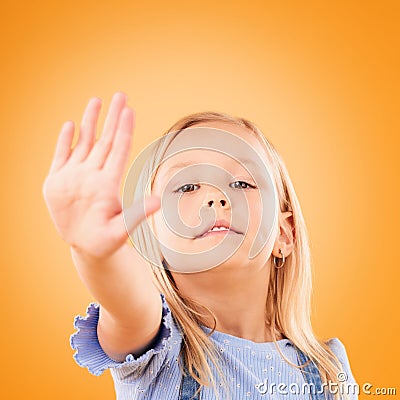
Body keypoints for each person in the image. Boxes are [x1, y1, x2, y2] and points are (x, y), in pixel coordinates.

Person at [42, 92, 358, 399]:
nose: (214, 198)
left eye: (241, 183)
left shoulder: (328, 368)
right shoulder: (157, 345)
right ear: (154, 242)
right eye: (188, 186)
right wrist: (97, 256)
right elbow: (128, 305)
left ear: (284, 234)